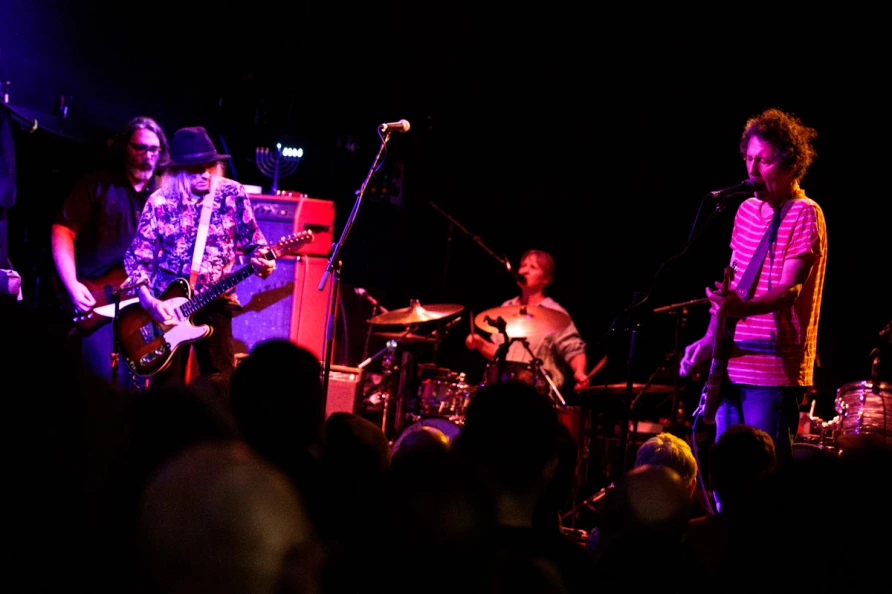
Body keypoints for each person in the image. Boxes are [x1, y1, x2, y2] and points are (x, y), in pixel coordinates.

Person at [679, 107, 826, 467]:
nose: (751, 169)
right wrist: (709, 340)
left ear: (791, 164)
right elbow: (733, 291)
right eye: (748, 158)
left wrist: (740, 309)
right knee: (727, 471)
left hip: (773, 372)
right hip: (731, 363)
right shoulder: (745, 211)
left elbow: (790, 290)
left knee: (766, 476)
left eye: (763, 160)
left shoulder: (805, 213)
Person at [123, 125, 275, 390]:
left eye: (209, 166)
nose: (205, 174)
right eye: (196, 168)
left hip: (216, 302)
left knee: (220, 384)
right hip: (167, 308)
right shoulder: (160, 202)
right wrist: (149, 302)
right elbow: (138, 259)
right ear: (177, 171)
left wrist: (265, 263)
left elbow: (255, 245)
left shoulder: (233, 195)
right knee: (166, 392)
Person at [50, 116, 169, 387]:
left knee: (139, 385)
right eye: (140, 148)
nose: (148, 156)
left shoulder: (167, 194)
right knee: (100, 381)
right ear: (124, 146)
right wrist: (71, 284)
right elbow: (62, 231)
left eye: (154, 150)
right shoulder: (97, 185)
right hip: (98, 299)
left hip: (145, 304)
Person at [465, 249, 603, 397]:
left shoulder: (555, 314)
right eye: (523, 265)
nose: (524, 270)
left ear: (546, 279)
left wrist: (580, 372)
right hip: (503, 392)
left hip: (539, 398)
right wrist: (480, 343)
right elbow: (498, 353)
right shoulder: (507, 307)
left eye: (533, 267)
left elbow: (574, 350)